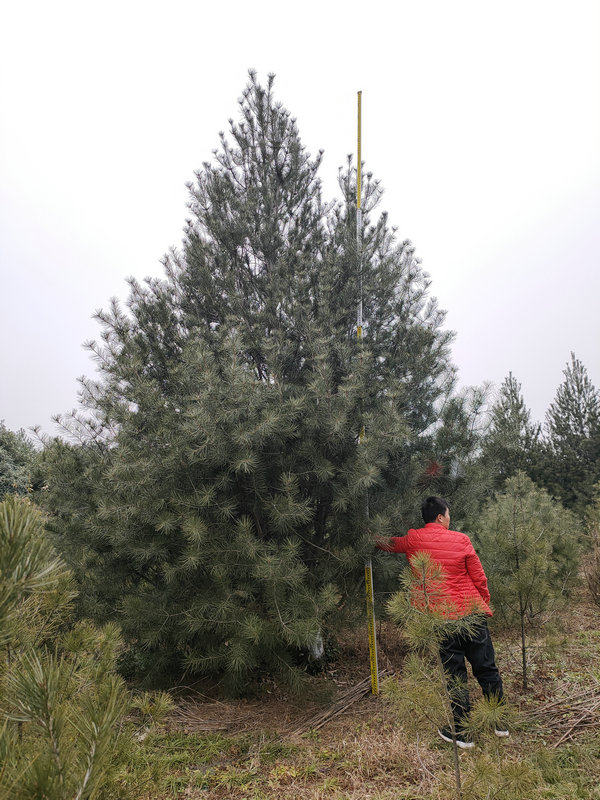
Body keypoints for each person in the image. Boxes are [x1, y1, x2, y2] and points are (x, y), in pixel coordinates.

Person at [376, 495, 507, 749]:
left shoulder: (414, 539)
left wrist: (369, 538)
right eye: (448, 514)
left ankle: (463, 733)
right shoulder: (461, 539)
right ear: (440, 517)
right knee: (486, 667)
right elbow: (479, 576)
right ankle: (499, 722)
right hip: (471, 613)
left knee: (455, 674)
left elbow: (390, 544)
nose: (450, 518)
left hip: (441, 618)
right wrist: (483, 602)